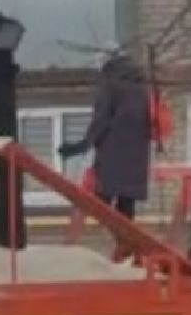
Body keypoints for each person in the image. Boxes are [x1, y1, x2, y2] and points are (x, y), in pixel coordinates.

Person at [60, 50, 152, 219]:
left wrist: (84, 144)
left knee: (102, 201)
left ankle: (121, 239)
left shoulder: (110, 84)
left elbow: (101, 119)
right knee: (126, 204)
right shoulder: (141, 87)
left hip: (113, 153)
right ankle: (126, 240)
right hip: (137, 155)